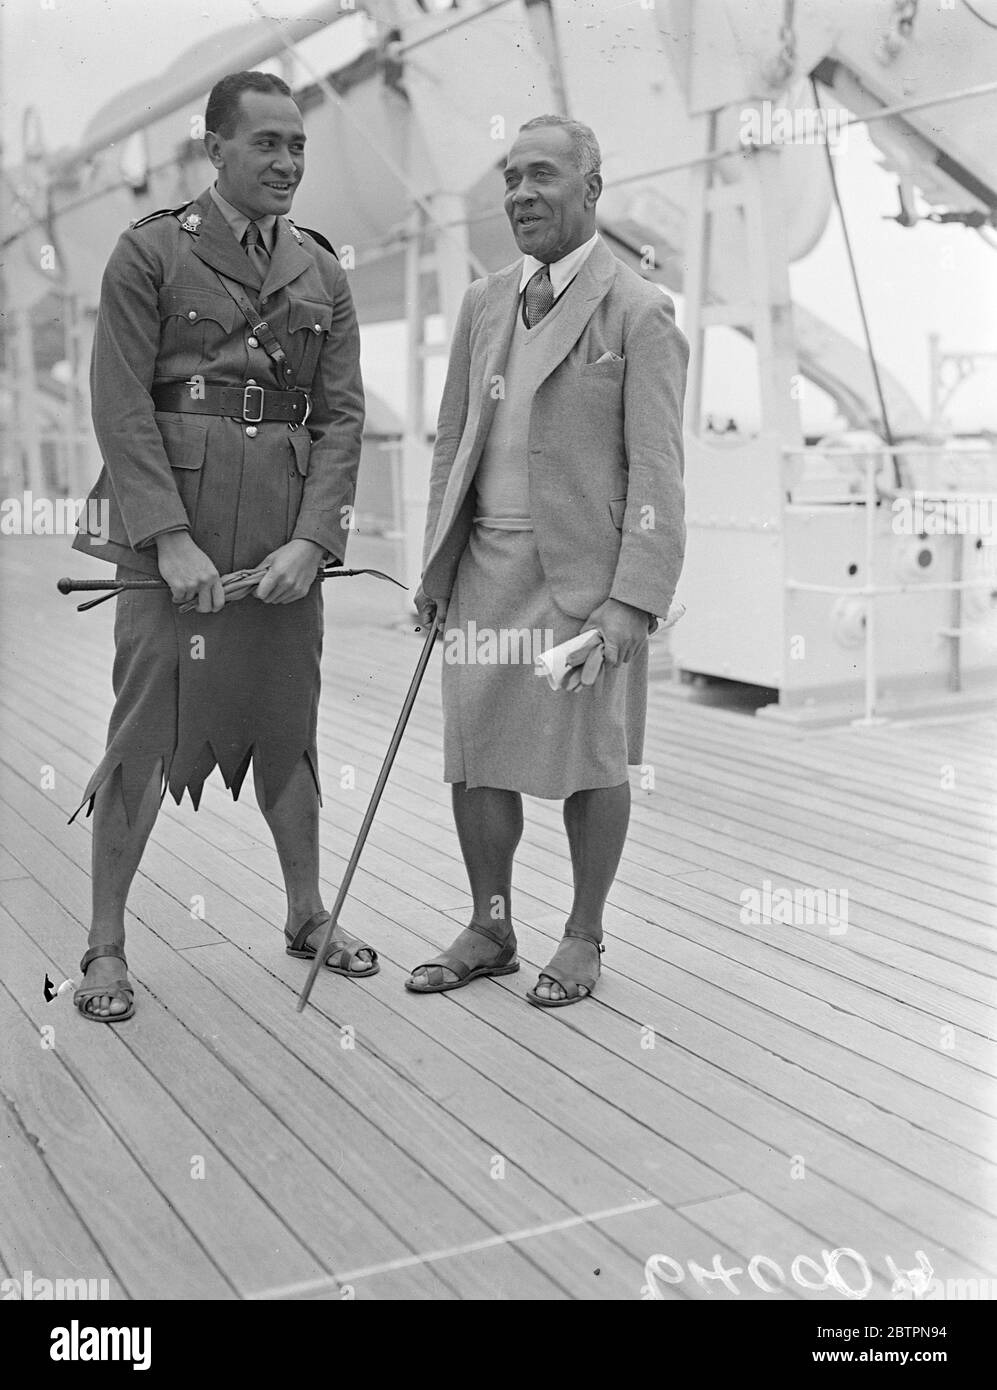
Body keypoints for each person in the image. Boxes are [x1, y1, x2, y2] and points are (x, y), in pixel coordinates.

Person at [70, 70, 371, 1023]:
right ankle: (105, 947)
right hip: (176, 548)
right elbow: (120, 405)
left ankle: (305, 911)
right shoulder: (150, 252)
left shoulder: (322, 271)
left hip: (281, 548)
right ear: (215, 148)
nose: (286, 162)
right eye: (265, 144)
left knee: (290, 724)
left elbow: (343, 419)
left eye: (297, 146)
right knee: (146, 734)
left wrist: (315, 542)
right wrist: (164, 538)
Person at [411, 115, 688, 1007]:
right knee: (475, 754)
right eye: (510, 178)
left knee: (591, 760)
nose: (520, 193)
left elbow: (658, 471)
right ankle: (490, 926)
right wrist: (435, 569)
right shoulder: (484, 301)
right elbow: (454, 438)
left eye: (542, 176)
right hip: (484, 568)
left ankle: (582, 934)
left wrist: (631, 605)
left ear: (592, 189)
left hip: (583, 584)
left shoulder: (638, 310)